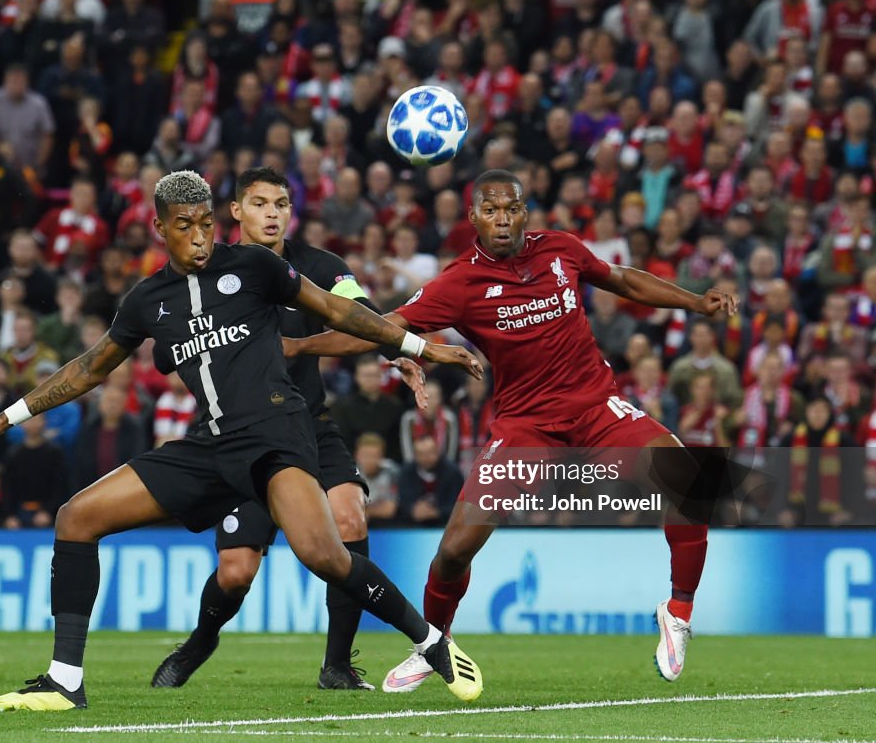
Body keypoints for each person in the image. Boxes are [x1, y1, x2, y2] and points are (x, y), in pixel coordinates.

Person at [0, 170, 484, 711]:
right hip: (210, 445)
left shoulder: (255, 266)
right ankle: (64, 682)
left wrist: (419, 347)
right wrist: (6, 418)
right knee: (76, 518)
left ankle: (431, 642)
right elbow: (89, 368)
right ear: (160, 228)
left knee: (324, 554)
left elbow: (339, 310)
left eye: (206, 224)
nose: (199, 238)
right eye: (185, 226)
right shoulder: (147, 300)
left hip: (276, 434)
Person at [285, 170, 739, 690]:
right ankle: (434, 643)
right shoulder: (459, 282)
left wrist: (693, 300)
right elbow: (385, 327)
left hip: (597, 408)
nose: (502, 219)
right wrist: (301, 347)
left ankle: (678, 612)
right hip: (527, 427)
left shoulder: (561, 248)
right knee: (455, 550)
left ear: (525, 213)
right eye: (491, 211)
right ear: (474, 218)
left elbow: (622, 279)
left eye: (511, 209)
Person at [151, 167, 427, 692]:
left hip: (308, 423)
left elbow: (368, 321)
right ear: (236, 211)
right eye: (259, 203)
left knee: (349, 515)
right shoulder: (206, 271)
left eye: (281, 204)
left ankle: (337, 665)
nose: (272, 214)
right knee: (235, 572)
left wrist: (386, 350)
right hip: (236, 434)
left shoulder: (323, 267)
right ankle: (200, 641)